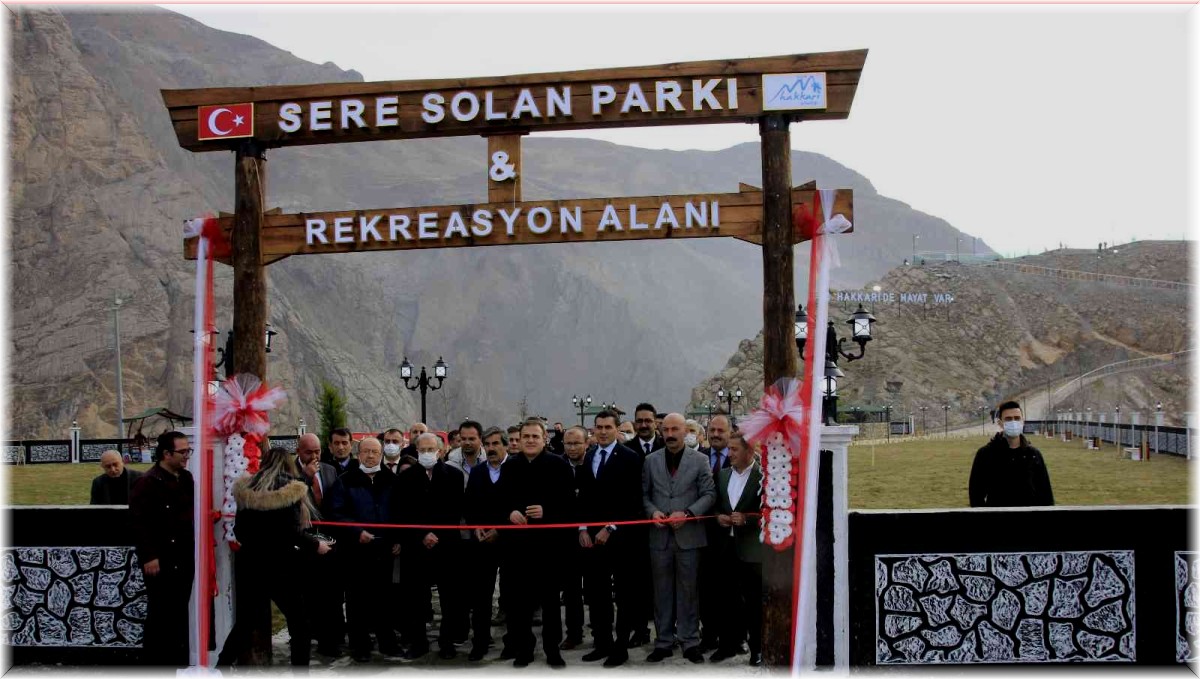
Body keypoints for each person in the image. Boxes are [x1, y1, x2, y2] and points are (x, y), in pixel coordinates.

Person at [218, 447, 332, 666]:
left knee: (245, 623)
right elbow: (292, 533)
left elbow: (240, 531)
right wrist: (316, 544)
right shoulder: (291, 489)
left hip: (251, 564)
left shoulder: (247, 489)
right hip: (282, 566)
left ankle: (220, 667)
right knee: (299, 624)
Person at [499, 418, 575, 667]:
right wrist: (509, 512)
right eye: (526, 437)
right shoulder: (510, 467)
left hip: (549, 548)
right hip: (517, 548)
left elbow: (570, 506)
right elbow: (500, 502)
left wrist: (547, 512)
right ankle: (524, 649)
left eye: (535, 436)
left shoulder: (559, 466)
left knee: (551, 603)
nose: (530, 440)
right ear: (519, 440)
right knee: (519, 603)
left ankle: (552, 649)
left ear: (544, 439)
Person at [642, 413, 716, 664]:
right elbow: (644, 495)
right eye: (666, 429)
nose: (670, 434)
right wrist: (652, 511)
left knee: (688, 591)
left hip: (689, 537)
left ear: (685, 431)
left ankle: (689, 641)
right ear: (661, 432)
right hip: (659, 537)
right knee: (661, 591)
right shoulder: (650, 461)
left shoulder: (700, 460)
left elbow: (709, 494)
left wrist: (687, 513)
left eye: (675, 429)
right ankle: (663, 641)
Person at [576, 411, 642, 667]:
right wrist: (582, 528)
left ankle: (620, 646)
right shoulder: (589, 455)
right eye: (598, 427)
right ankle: (601, 642)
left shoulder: (630, 458)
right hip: (592, 540)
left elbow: (633, 499)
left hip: (621, 538)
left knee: (623, 595)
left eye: (607, 427)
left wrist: (611, 527)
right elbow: (583, 498)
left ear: (617, 430)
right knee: (596, 593)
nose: (602, 431)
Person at [328, 437, 401, 662]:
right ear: (358, 454)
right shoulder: (345, 480)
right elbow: (337, 513)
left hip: (384, 549)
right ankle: (359, 646)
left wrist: (397, 538)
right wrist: (356, 532)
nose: (370, 456)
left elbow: (400, 512)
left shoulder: (391, 479)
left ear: (381, 455)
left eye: (375, 452)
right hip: (356, 551)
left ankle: (387, 641)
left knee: (385, 598)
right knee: (356, 600)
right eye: (366, 452)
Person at [395, 432, 465, 660]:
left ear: (440, 450)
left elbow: (454, 510)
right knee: (415, 597)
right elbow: (403, 511)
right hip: (416, 547)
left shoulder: (453, 476)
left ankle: (447, 641)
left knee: (450, 597)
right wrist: (423, 534)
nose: (426, 454)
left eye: (430, 449)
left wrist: (438, 533)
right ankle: (418, 642)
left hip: (446, 546)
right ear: (416, 451)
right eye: (421, 450)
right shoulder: (405, 478)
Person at [129, 431, 195, 666]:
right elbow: (140, 523)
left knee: (179, 615)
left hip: (184, 560)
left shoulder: (186, 479)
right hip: (161, 562)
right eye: (183, 452)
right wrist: (149, 556)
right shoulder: (146, 484)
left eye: (189, 451)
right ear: (166, 454)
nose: (187, 456)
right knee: (160, 616)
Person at [711, 432, 763, 666]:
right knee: (724, 599)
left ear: (749, 452)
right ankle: (727, 645)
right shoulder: (722, 476)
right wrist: (718, 517)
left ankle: (757, 649)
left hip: (751, 551)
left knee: (753, 602)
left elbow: (772, 514)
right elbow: (715, 506)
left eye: (734, 449)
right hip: (726, 547)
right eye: (729, 449)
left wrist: (748, 520)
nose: (729, 453)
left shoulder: (762, 477)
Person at [294, 433, 344, 656]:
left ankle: (333, 636)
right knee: (311, 595)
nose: (314, 456)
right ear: (299, 451)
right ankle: (318, 637)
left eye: (317, 452)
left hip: (330, 541)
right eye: (308, 452)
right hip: (304, 542)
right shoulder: (290, 472)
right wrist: (305, 477)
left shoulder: (329, 470)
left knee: (332, 593)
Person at [463, 427, 510, 661]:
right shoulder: (478, 472)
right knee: (481, 597)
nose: (491, 448)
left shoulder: (516, 469)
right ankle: (480, 643)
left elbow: (519, 505)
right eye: (487, 444)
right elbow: (470, 505)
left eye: (495, 444)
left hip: (510, 543)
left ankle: (513, 643)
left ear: (506, 445)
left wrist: (500, 530)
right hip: (482, 544)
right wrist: (477, 527)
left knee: (513, 596)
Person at [969, 401, 1055, 507]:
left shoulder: (1033, 455)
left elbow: (1046, 494)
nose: (1013, 422)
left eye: (1017, 418)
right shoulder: (985, 454)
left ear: (1023, 421)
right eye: (1008, 419)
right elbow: (976, 495)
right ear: (1000, 423)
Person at [627, 403, 664, 648]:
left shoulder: (668, 447)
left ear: (655, 423)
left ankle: (666, 630)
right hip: (636, 529)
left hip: (663, 524)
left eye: (647, 420)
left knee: (664, 580)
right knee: (637, 582)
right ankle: (640, 630)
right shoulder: (626, 451)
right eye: (639, 421)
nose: (643, 425)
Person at [699, 414, 733, 652]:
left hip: (732, 537)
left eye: (721, 431)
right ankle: (708, 636)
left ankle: (734, 638)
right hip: (703, 535)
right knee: (706, 590)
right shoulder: (697, 458)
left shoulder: (739, 458)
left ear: (730, 433)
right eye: (712, 430)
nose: (716, 435)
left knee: (731, 591)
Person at [560, 426, 589, 650]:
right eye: (568, 444)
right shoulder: (557, 466)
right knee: (570, 589)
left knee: (596, 588)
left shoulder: (595, 465)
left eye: (576, 443)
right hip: (566, 538)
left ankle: (600, 630)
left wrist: (584, 528)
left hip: (592, 534)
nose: (572, 448)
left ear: (586, 444)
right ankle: (574, 632)